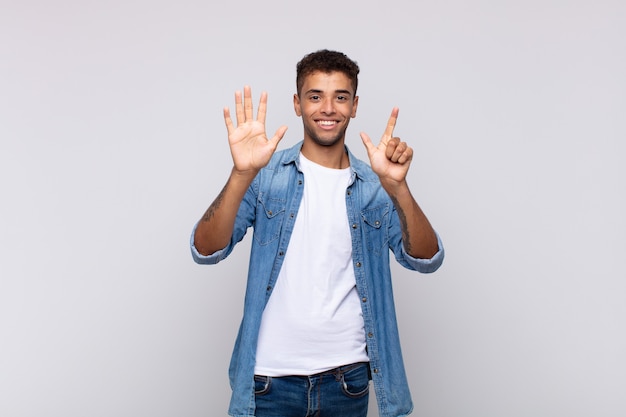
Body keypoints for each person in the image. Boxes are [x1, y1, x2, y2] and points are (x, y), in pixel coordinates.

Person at [190, 49, 444, 417]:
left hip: (347, 381)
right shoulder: (267, 176)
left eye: (340, 97)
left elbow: (426, 259)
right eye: (315, 96)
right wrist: (242, 175)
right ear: (297, 104)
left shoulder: (375, 185)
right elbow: (205, 249)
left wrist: (398, 188)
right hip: (268, 381)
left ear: (354, 106)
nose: (328, 108)